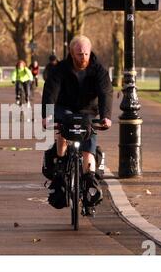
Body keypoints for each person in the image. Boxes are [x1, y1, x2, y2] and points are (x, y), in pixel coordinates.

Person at [42, 36, 113, 207]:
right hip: (64, 107)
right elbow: (50, 92)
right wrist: (48, 115)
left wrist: (106, 116)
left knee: (89, 137)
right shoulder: (60, 69)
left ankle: (89, 180)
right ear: (72, 53)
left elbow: (105, 93)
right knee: (64, 126)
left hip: (88, 110)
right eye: (79, 54)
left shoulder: (98, 70)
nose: (83, 58)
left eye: (86, 54)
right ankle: (60, 163)